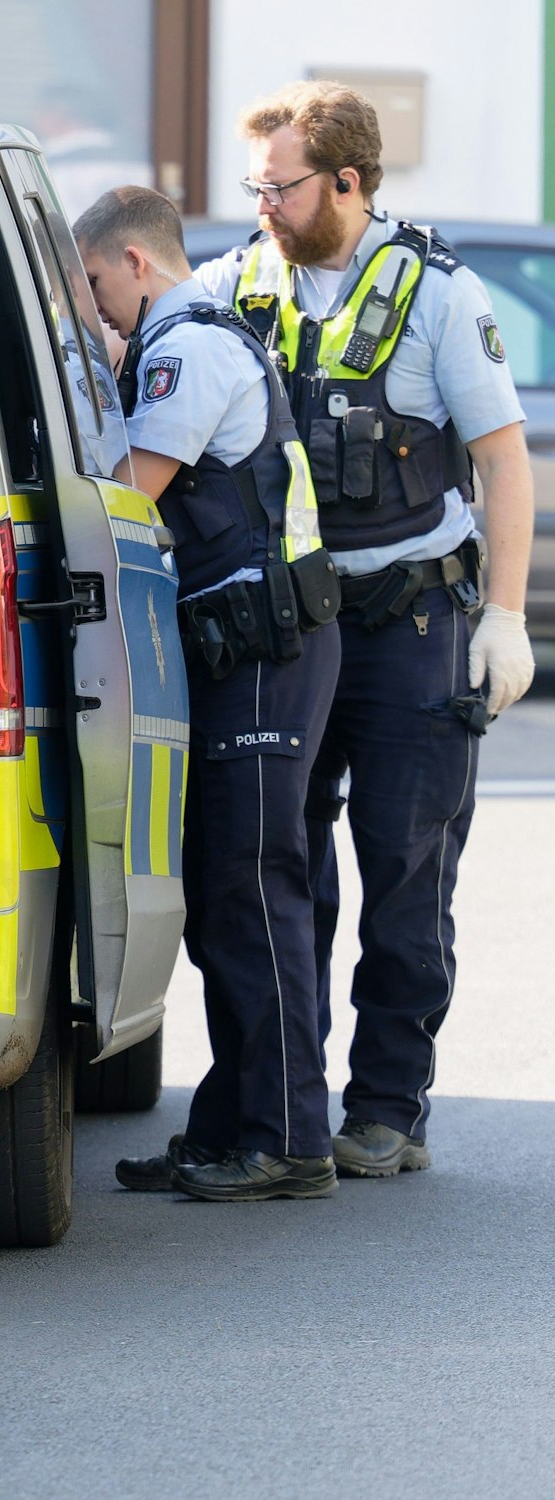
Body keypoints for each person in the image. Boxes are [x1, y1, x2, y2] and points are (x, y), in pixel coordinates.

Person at [194, 83, 535, 1177]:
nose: (262, 207)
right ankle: (281, 1102)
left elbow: (501, 459)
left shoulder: (436, 295)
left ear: (346, 180)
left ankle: (388, 1104)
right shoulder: (232, 283)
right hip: (285, 627)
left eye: (280, 187)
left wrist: (505, 620)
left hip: (408, 621)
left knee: (402, 871)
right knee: (276, 865)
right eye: (253, 186)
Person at [77, 186, 345, 1201]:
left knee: (252, 888)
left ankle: (286, 1141)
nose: (98, 304)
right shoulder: (186, 335)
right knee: (222, 895)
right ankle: (231, 1123)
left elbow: (124, 492)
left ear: (133, 263)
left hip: (263, 649)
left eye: (97, 282)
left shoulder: (182, 344)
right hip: (243, 647)